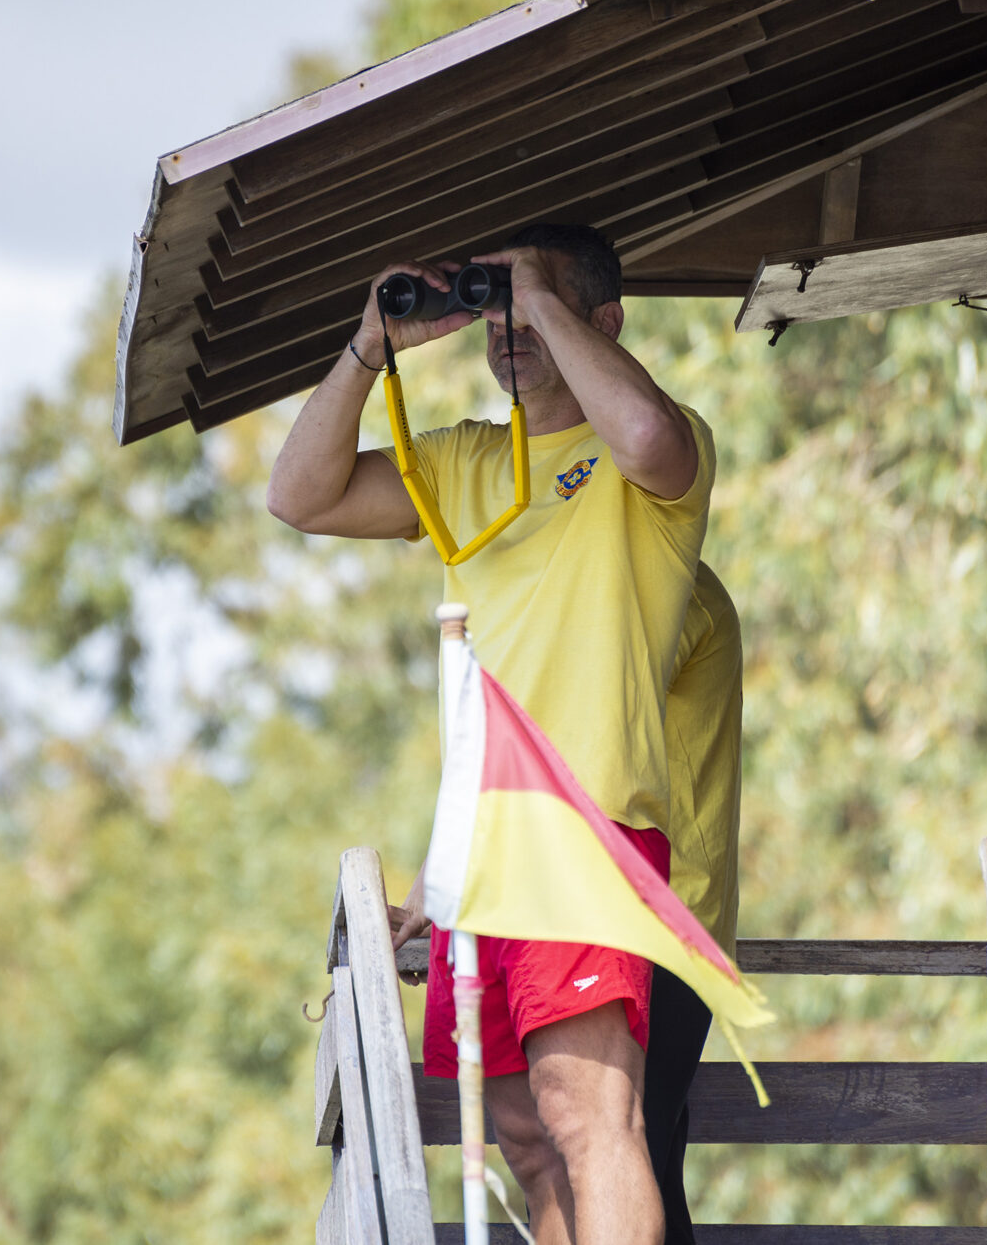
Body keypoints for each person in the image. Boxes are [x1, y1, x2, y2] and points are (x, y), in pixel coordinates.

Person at [265, 222, 742, 1245]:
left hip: (589, 834)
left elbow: (651, 442)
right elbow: (297, 494)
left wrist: (541, 300)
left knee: (588, 1115)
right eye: (492, 311)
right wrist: (369, 344)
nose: (505, 329)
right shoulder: (469, 461)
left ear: (597, 320)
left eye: (526, 307)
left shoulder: (653, 455)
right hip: (486, 856)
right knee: (526, 1135)